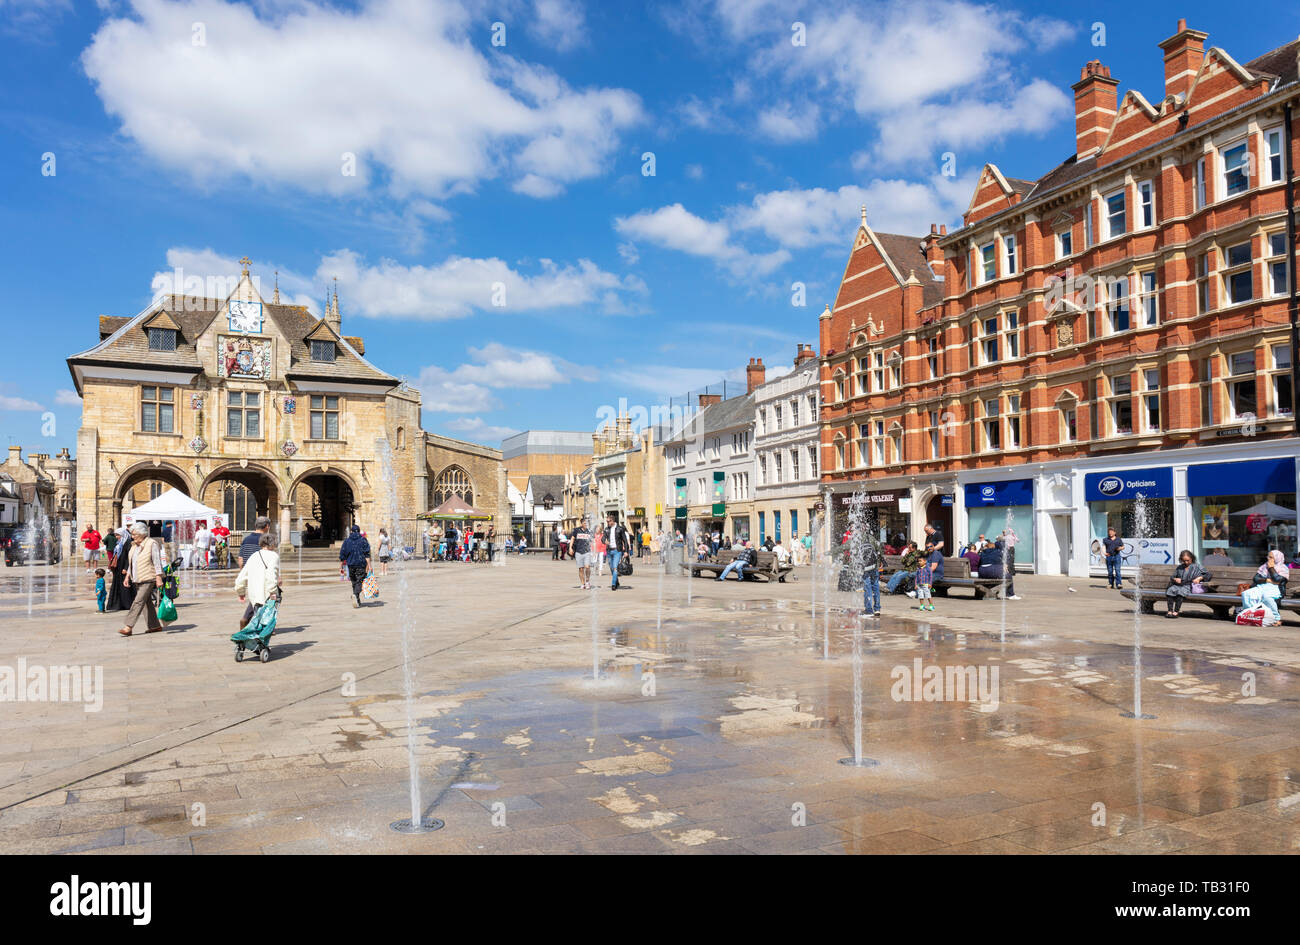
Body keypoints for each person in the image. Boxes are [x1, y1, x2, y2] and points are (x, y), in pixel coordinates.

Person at [118, 523, 164, 636]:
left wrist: (158, 577)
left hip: (148, 577)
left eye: (134, 534)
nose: (132, 536)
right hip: (137, 578)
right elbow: (132, 563)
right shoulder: (134, 545)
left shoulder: (151, 543)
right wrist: (128, 576)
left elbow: (157, 561)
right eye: (132, 534)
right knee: (146, 602)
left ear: (142, 534)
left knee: (138, 601)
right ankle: (155, 626)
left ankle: (128, 627)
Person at [235, 531, 282, 629]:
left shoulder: (254, 555)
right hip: (266, 595)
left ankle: (247, 637)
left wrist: (241, 592)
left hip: (254, 595)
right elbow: (271, 576)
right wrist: (273, 592)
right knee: (265, 623)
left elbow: (241, 576)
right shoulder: (273, 556)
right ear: (273, 544)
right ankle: (257, 642)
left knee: (258, 619)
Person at [1240, 550, 1288, 625]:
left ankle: (1276, 618)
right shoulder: (1264, 566)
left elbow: (1278, 580)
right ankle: (1251, 615)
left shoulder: (1283, 568)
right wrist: (1267, 580)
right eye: (1268, 556)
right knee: (1246, 594)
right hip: (1262, 587)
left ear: (1277, 558)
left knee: (1267, 597)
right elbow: (1256, 579)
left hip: (1276, 589)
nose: (1268, 558)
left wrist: (1271, 568)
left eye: (1271, 557)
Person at [1165, 549, 1210, 618]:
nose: (1186, 562)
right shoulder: (1180, 567)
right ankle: (1170, 611)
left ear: (1191, 558)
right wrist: (1175, 579)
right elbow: (1172, 577)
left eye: (1188, 560)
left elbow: (1208, 574)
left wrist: (1199, 578)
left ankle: (1176, 611)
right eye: (1184, 560)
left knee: (1181, 592)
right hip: (1179, 585)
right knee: (1170, 590)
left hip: (1189, 585)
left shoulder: (1197, 566)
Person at [339, 524, 372, 608]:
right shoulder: (363, 540)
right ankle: (355, 594)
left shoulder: (347, 541)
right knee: (360, 581)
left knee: (354, 582)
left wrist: (341, 566)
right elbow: (367, 554)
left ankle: (357, 600)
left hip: (350, 565)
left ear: (351, 531)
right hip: (361, 564)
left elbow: (342, 555)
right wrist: (369, 565)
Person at [105, 539, 133, 613]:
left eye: (118, 535)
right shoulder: (118, 544)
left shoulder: (127, 543)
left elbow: (128, 557)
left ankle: (127, 604)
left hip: (123, 569)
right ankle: (118, 604)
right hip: (118, 569)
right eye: (116, 535)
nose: (117, 537)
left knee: (125, 588)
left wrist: (126, 567)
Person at [917, 540, 944, 612]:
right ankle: (921, 601)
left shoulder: (935, 554)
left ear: (933, 546)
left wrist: (924, 574)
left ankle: (930, 603)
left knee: (924, 585)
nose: (929, 548)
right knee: (915, 575)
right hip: (929, 574)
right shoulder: (928, 554)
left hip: (937, 574)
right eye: (927, 547)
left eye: (930, 546)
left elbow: (933, 568)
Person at [606, 514, 631, 590]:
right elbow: (603, 538)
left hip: (617, 551)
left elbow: (625, 541)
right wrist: (605, 541)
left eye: (608, 521)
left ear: (613, 521)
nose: (607, 522)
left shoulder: (620, 529)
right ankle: (616, 581)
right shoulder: (607, 529)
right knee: (611, 567)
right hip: (609, 551)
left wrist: (626, 551)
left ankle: (613, 585)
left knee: (615, 568)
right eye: (607, 521)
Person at [861, 537, 881, 618]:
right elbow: (879, 550)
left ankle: (869, 609)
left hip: (866, 569)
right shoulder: (872, 539)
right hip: (874, 567)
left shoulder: (858, 541)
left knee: (867, 588)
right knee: (876, 587)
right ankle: (877, 609)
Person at [572, 520, 594, 589]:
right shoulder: (576, 530)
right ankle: (582, 583)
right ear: (581, 524)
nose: (586, 524)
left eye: (587, 523)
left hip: (587, 552)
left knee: (587, 567)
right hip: (578, 552)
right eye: (584, 523)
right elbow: (572, 539)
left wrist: (594, 551)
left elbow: (592, 542)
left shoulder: (589, 531)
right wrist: (570, 548)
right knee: (581, 569)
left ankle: (587, 581)